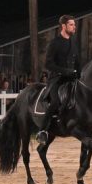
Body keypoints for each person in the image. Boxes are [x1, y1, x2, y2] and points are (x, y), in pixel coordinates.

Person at [37, 15, 80, 145]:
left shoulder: (73, 42)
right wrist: (65, 71)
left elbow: (77, 61)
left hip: (71, 79)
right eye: (71, 24)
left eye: (74, 24)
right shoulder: (54, 43)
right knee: (55, 102)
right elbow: (48, 64)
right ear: (64, 26)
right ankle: (42, 131)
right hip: (56, 80)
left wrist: (80, 74)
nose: (74, 27)